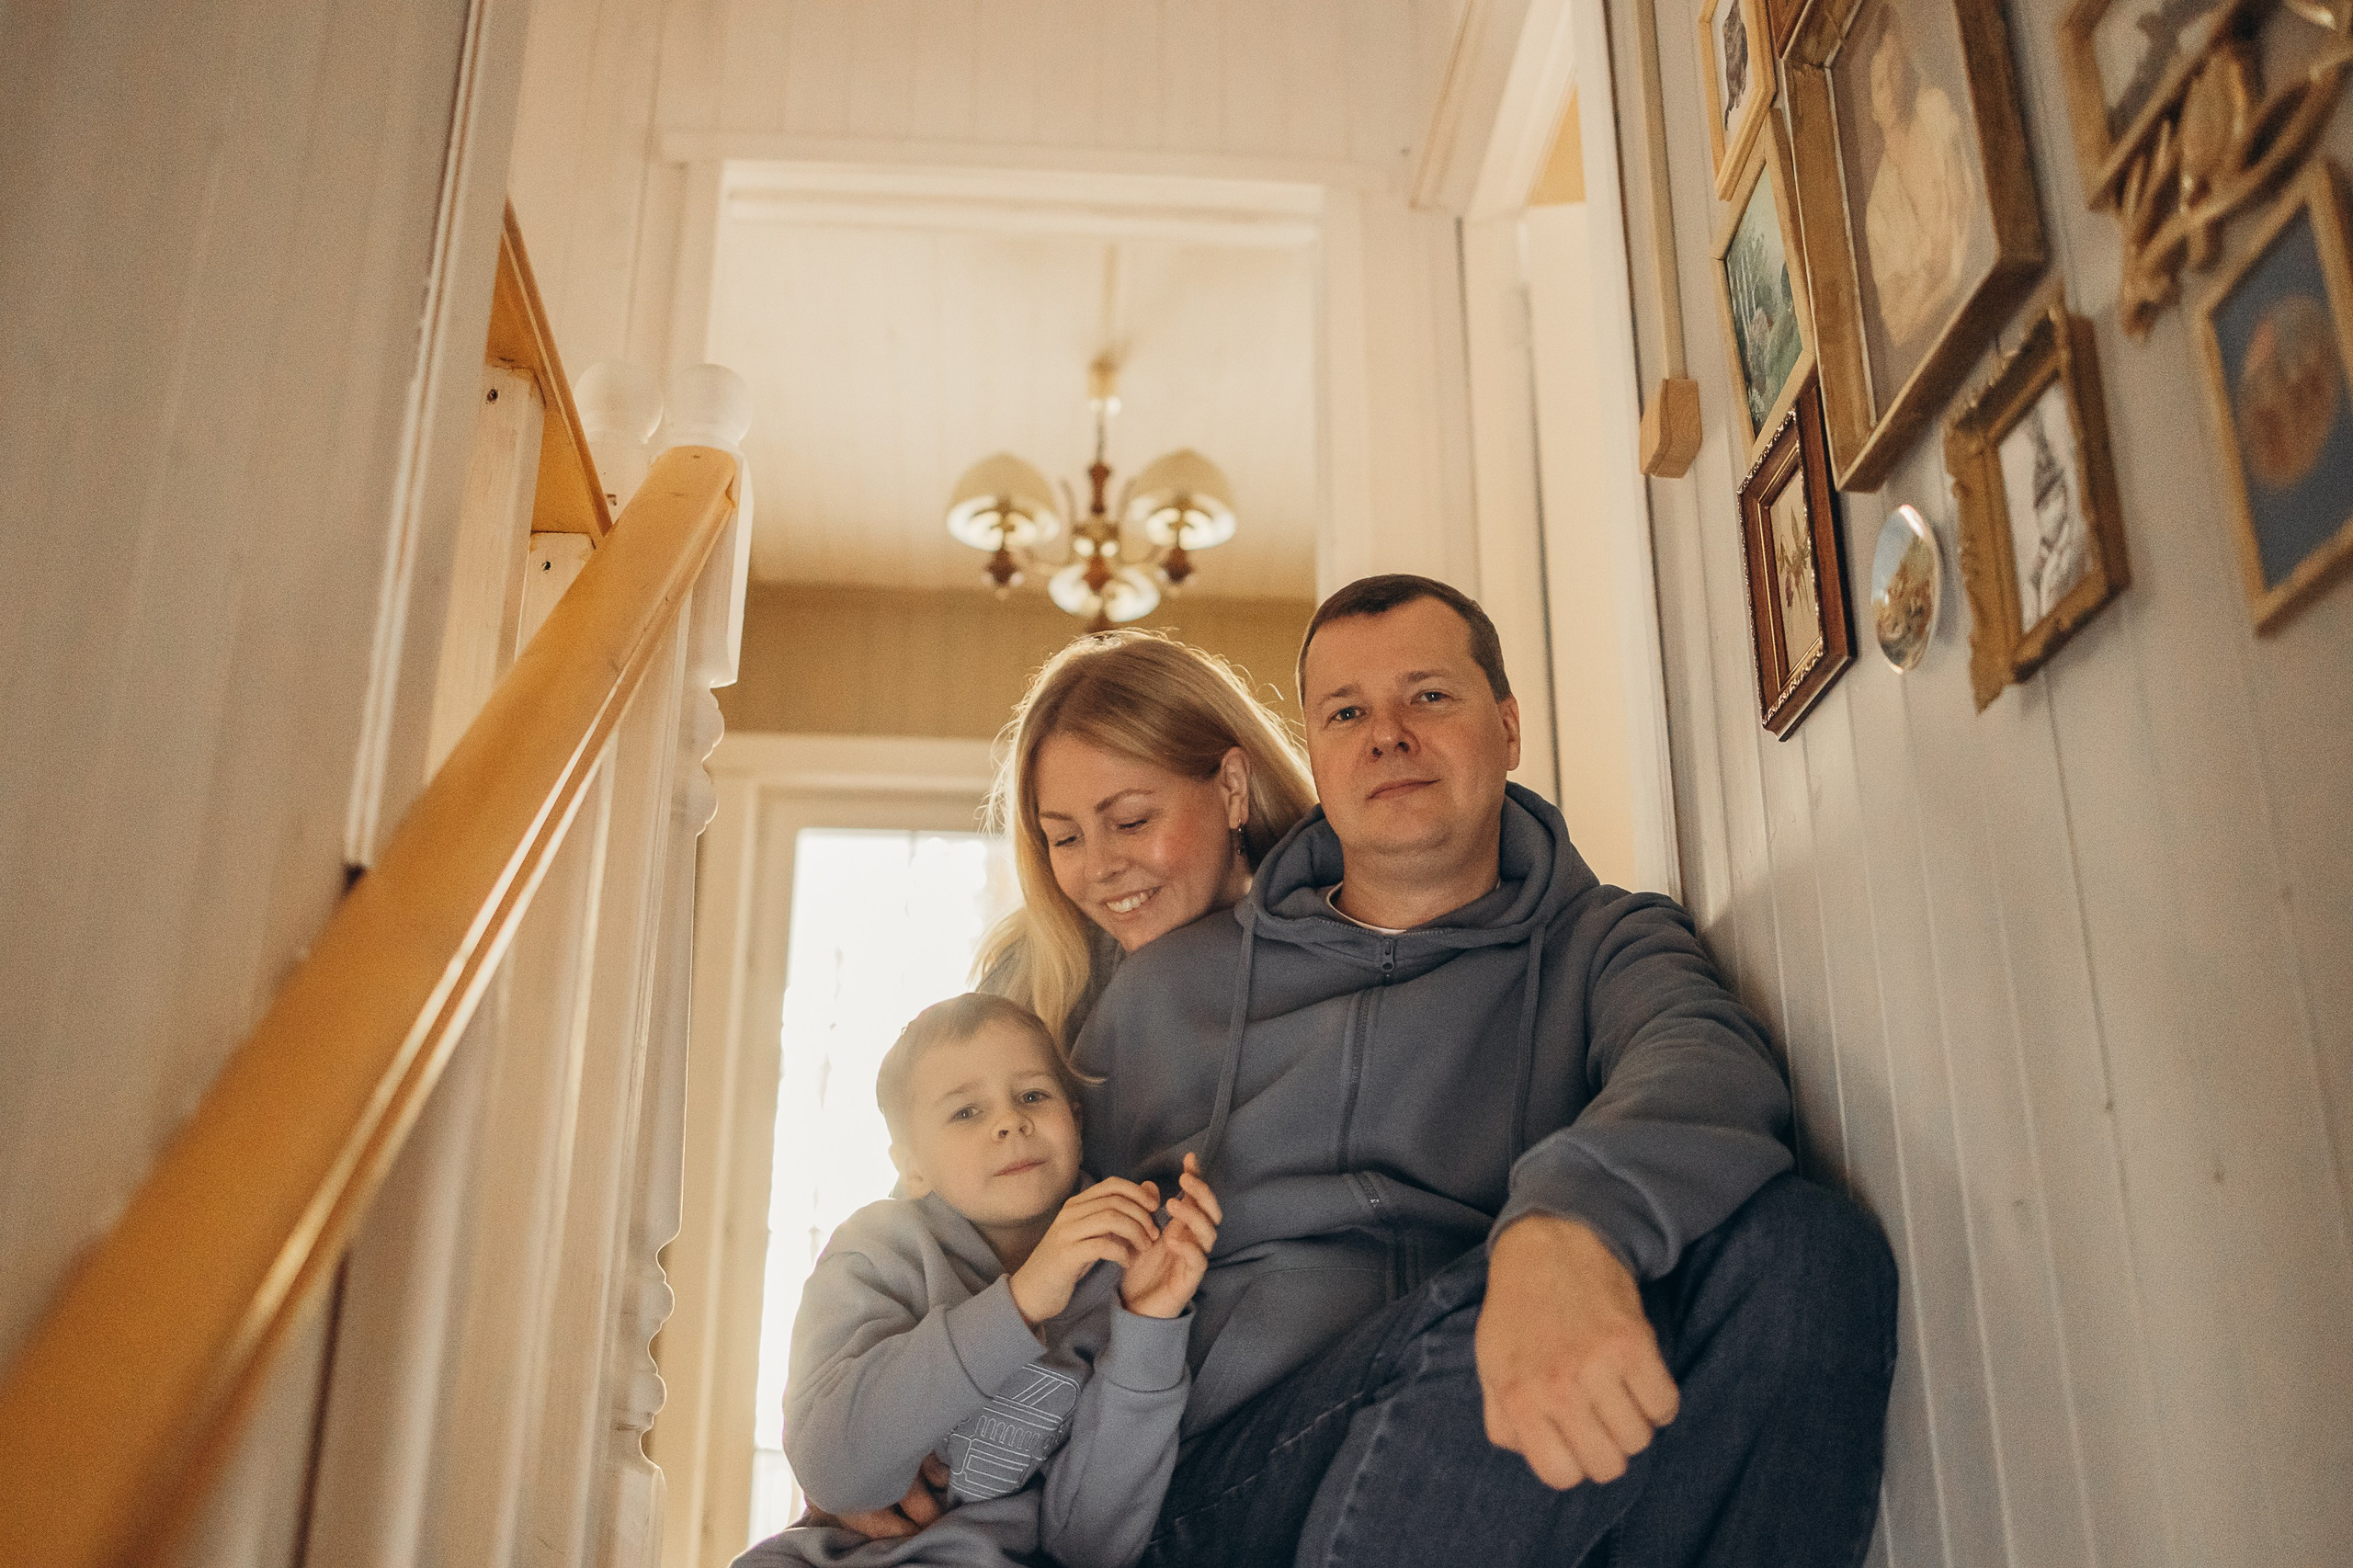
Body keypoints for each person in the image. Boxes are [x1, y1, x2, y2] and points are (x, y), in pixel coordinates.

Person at [1075, 575, 1898, 1567]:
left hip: (1480, 1453)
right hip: (1219, 1478)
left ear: (1506, 726)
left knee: (1807, 1245)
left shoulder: (1607, 940)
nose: (1386, 733)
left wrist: (1562, 1221)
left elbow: (1702, 1056)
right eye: (1346, 712)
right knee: (1475, 1324)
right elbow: (1005, 1213)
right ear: (1319, 759)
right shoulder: (1166, 988)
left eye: (1427, 695)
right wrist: (903, 1412)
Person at [738, 994, 1223, 1568]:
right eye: (966, 1111)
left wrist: (1148, 1326)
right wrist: (1020, 1303)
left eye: (1033, 1096)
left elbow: (1090, 1546)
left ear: (1074, 1117)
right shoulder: (877, 1251)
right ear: (911, 1166)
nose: (1009, 1121)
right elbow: (833, 1470)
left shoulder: (1126, 1268)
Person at [976, 631, 1315, 1049]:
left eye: (1131, 822)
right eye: (1066, 839)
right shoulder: (1025, 987)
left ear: (1232, 787)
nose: (1100, 867)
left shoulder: (1345, 939)